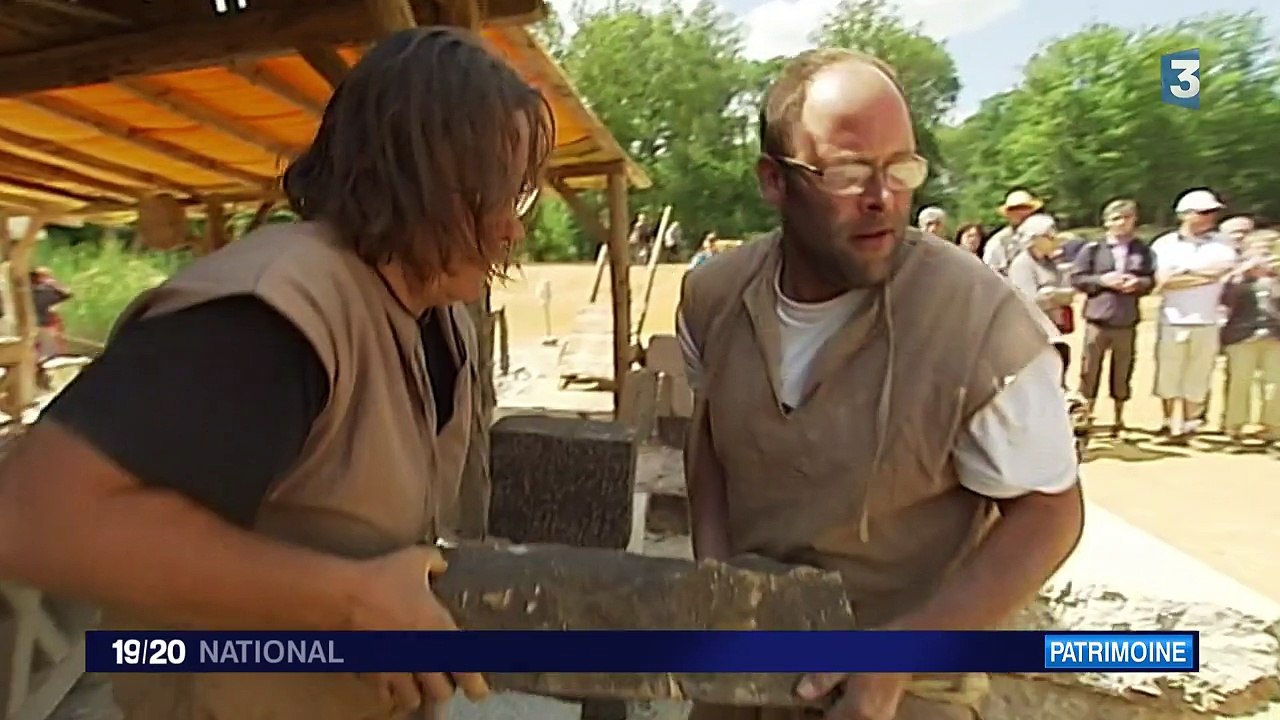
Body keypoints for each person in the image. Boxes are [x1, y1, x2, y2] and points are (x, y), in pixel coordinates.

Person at [0, 27, 552, 720]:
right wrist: (350, 599)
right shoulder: (276, 312)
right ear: (415, 173)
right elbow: (33, 519)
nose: (512, 228)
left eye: (521, 197)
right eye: (495, 193)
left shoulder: (439, 318)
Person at [676, 48, 1082, 720]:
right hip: (749, 667)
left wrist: (906, 650)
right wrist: (717, 589)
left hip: (907, 686)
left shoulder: (981, 325)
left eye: (901, 168)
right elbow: (709, 442)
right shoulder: (713, 298)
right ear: (774, 181)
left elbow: (1051, 512)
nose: (883, 196)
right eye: (846, 171)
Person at [1150, 188, 1239, 442]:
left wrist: (1182, 275)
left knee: (1198, 375)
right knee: (1168, 374)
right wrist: (1203, 276)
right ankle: (1168, 423)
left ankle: (1190, 425)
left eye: (1212, 212)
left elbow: (1223, 271)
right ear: (1185, 215)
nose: (1211, 217)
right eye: (1205, 212)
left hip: (1208, 319)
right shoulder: (1164, 244)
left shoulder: (1222, 244)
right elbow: (1161, 282)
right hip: (1172, 318)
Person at [1070, 199, 1156, 435]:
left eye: (1127, 217)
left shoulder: (1142, 250)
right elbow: (1077, 278)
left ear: (1134, 220)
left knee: (1123, 370)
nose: (1122, 223)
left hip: (1126, 319)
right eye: (1116, 218)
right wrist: (1102, 281)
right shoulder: (1093, 249)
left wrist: (1138, 283)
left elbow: (1151, 280)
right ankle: (1085, 416)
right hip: (1097, 319)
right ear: (1107, 222)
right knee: (1089, 370)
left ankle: (1119, 419)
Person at [1219, 229, 1280, 448]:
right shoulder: (1236, 276)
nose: (1264, 251)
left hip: (1275, 335)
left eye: (1269, 246)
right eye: (1259, 247)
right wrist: (1243, 272)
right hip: (1241, 335)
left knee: (1275, 384)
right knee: (1239, 383)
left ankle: (1272, 428)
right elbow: (1223, 297)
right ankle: (1234, 427)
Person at [1005, 214, 1076, 384]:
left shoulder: (1050, 263)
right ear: (1035, 238)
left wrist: (1055, 294)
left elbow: (1067, 290)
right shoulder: (1022, 264)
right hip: (1031, 335)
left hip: (1052, 330)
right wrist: (1050, 295)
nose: (1053, 240)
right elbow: (1026, 302)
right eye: (1048, 236)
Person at [982, 190, 1043, 275]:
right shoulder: (998, 242)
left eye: (1025, 208)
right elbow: (988, 273)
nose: (1021, 213)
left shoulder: (1043, 236)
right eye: (1015, 209)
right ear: (1008, 213)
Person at [30, 266, 72, 360]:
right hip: (43, 328)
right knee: (49, 355)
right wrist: (52, 283)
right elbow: (67, 293)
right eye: (47, 276)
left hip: (34, 328)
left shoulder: (27, 291)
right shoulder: (45, 291)